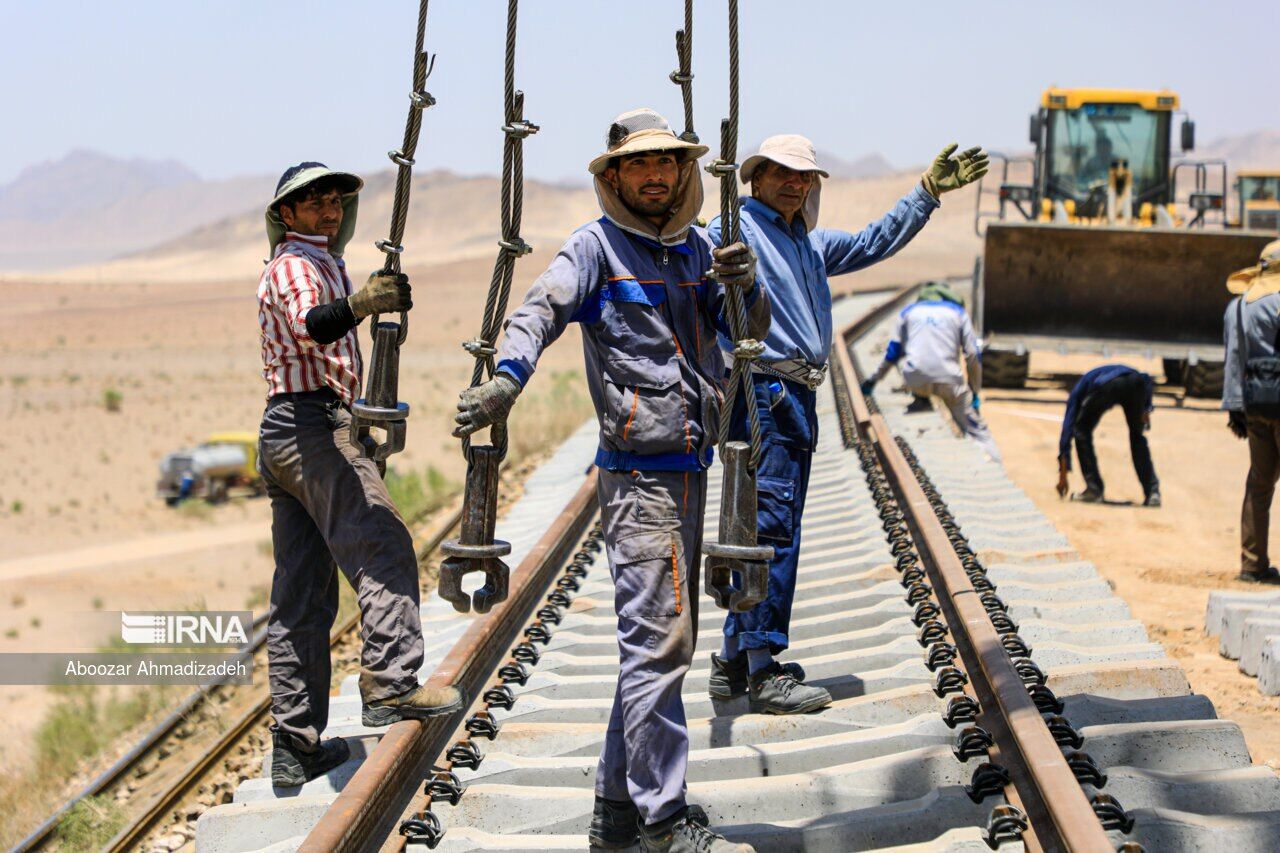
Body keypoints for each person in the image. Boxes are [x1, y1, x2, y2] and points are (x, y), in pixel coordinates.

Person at [453, 109, 767, 853]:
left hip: (692, 471)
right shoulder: (595, 250)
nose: (656, 175)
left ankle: (616, 809)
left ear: (684, 174)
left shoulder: (698, 251)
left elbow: (746, 333)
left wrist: (744, 288)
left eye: (668, 164)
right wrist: (505, 380)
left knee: (657, 647)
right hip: (639, 480)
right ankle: (663, 818)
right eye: (639, 165)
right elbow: (541, 309)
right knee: (660, 647)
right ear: (615, 176)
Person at [702, 137, 987, 713]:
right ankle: (764, 669)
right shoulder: (737, 231)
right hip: (764, 391)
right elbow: (711, 266)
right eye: (781, 174)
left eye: (804, 177)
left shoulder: (806, 244)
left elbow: (871, 242)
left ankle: (733, 659)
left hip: (793, 397)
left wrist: (926, 193)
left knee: (758, 520)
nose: (794, 184)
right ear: (756, 178)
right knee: (769, 528)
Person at [256, 163, 463, 788]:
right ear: (285, 215)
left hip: (289, 432)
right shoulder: (295, 265)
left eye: (333, 201)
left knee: (303, 589)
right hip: (310, 427)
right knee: (382, 543)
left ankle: (295, 741)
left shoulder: (323, 262)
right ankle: (392, 686)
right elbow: (313, 325)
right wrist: (364, 303)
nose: (327, 210)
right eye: (311, 202)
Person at [862, 281, 1002, 463]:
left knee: (909, 355)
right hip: (950, 383)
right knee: (979, 433)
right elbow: (973, 353)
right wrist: (974, 391)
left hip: (914, 381)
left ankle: (921, 397)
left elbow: (893, 352)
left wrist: (872, 381)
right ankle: (993, 466)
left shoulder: (908, 312)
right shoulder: (958, 313)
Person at [1224, 240, 1280, 584]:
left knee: (1259, 483)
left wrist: (1235, 408)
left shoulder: (1239, 306)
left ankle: (1252, 564)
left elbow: (1233, 358)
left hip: (1256, 405)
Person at [1053, 364, 1160, 507]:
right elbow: (1145, 379)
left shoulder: (1077, 392)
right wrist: (1146, 408)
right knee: (1137, 436)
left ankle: (1094, 490)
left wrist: (1063, 473)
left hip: (1107, 385)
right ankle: (1153, 493)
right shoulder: (1106, 374)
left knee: (1081, 429)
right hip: (1136, 382)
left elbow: (1068, 429)